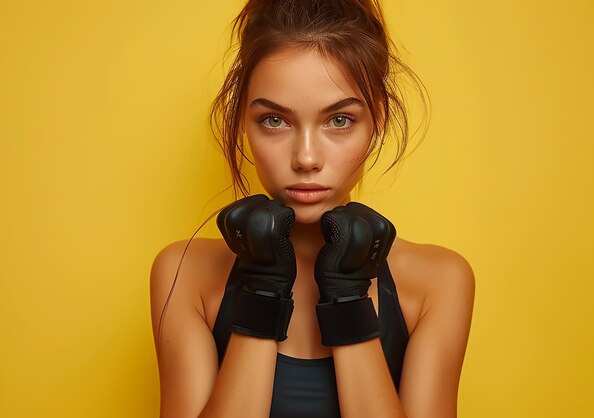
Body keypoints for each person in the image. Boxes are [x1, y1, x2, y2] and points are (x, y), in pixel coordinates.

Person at [149, 0, 475, 417]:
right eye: (275, 120)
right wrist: (262, 292)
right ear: (242, 121)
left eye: (339, 120)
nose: (306, 158)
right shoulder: (185, 273)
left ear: (376, 119)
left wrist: (348, 301)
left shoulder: (438, 282)